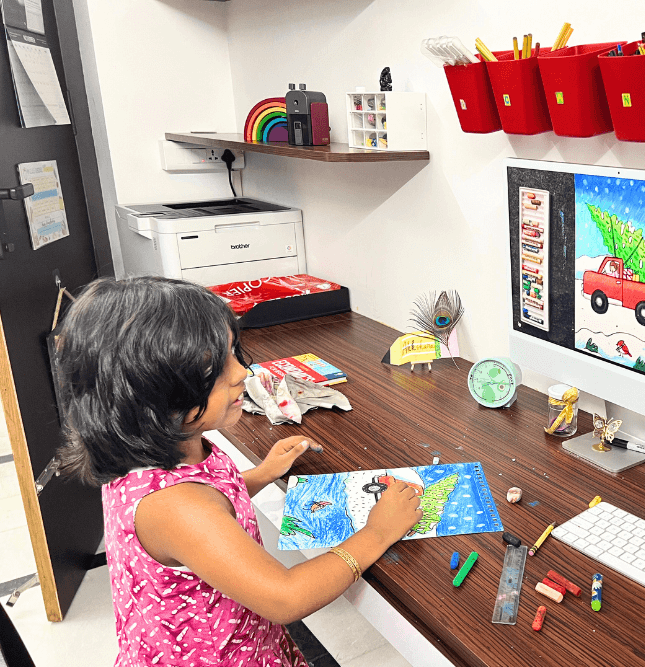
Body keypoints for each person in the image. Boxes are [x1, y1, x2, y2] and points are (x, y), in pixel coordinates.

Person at [55, 277, 422, 666]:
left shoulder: (158, 455)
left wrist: (262, 474)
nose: (241, 372)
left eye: (233, 352)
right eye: (215, 367)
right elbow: (287, 597)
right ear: (150, 393)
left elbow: (211, 506)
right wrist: (379, 532)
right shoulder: (175, 507)